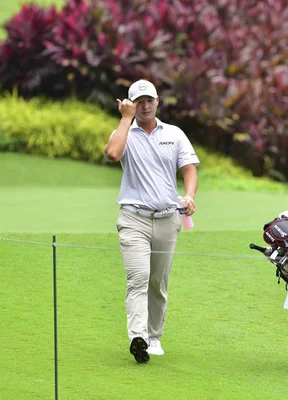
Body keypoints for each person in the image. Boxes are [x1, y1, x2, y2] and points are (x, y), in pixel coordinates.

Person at [104, 79, 199, 364]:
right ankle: (138, 337)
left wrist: (190, 195)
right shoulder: (124, 133)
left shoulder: (174, 133)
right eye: (138, 102)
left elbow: (189, 168)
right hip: (134, 219)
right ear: (131, 105)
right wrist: (125, 119)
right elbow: (112, 154)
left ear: (157, 101)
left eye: (149, 100)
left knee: (158, 282)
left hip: (168, 219)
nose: (145, 105)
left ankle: (154, 336)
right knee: (138, 279)